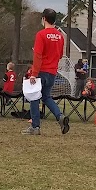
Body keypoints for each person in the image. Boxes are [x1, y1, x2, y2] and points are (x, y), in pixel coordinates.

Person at [23, 8, 69, 136]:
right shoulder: (60, 36)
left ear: (44, 19)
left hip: (41, 71)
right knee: (46, 97)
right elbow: (60, 55)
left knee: (34, 97)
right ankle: (59, 116)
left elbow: (38, 55)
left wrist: (33, 73)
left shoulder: (41, 35)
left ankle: (35, 126)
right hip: (52, 72)